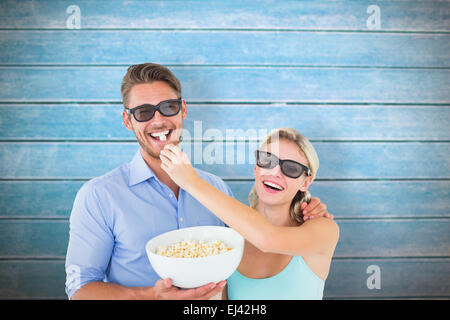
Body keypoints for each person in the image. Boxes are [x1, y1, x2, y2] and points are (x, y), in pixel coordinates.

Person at [65, 63, 331, 300]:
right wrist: (151, 296)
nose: (158, 120)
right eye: (144, 112)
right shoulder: (99, 195)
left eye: (167, 107)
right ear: (127, 120)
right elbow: (79, 290)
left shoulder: (216, 189)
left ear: (183, 110)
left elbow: (263, 238)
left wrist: (306, 204)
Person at [160, 127, 339, 299]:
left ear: (305, 183)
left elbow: (268, 239)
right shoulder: (228, 241)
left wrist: (191, 182)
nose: (275, 172)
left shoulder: (324, 229)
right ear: (256, 168)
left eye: (291, 168)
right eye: (268, 160)